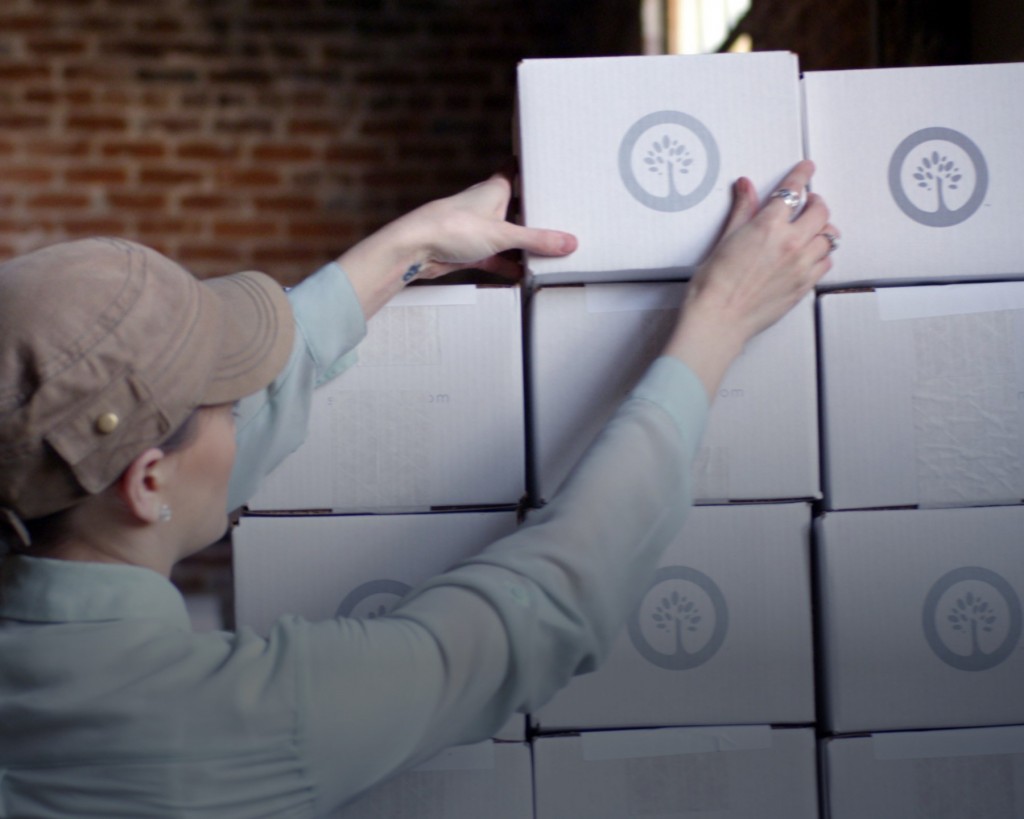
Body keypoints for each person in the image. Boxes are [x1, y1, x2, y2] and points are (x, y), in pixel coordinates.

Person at [0, 160, 835, 816]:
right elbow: (540, 612)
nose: (243, 411)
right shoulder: (207, 725)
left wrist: (412, 247)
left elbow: (196, 449)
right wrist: (721, 317)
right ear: (146, 484)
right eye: (225, 394)